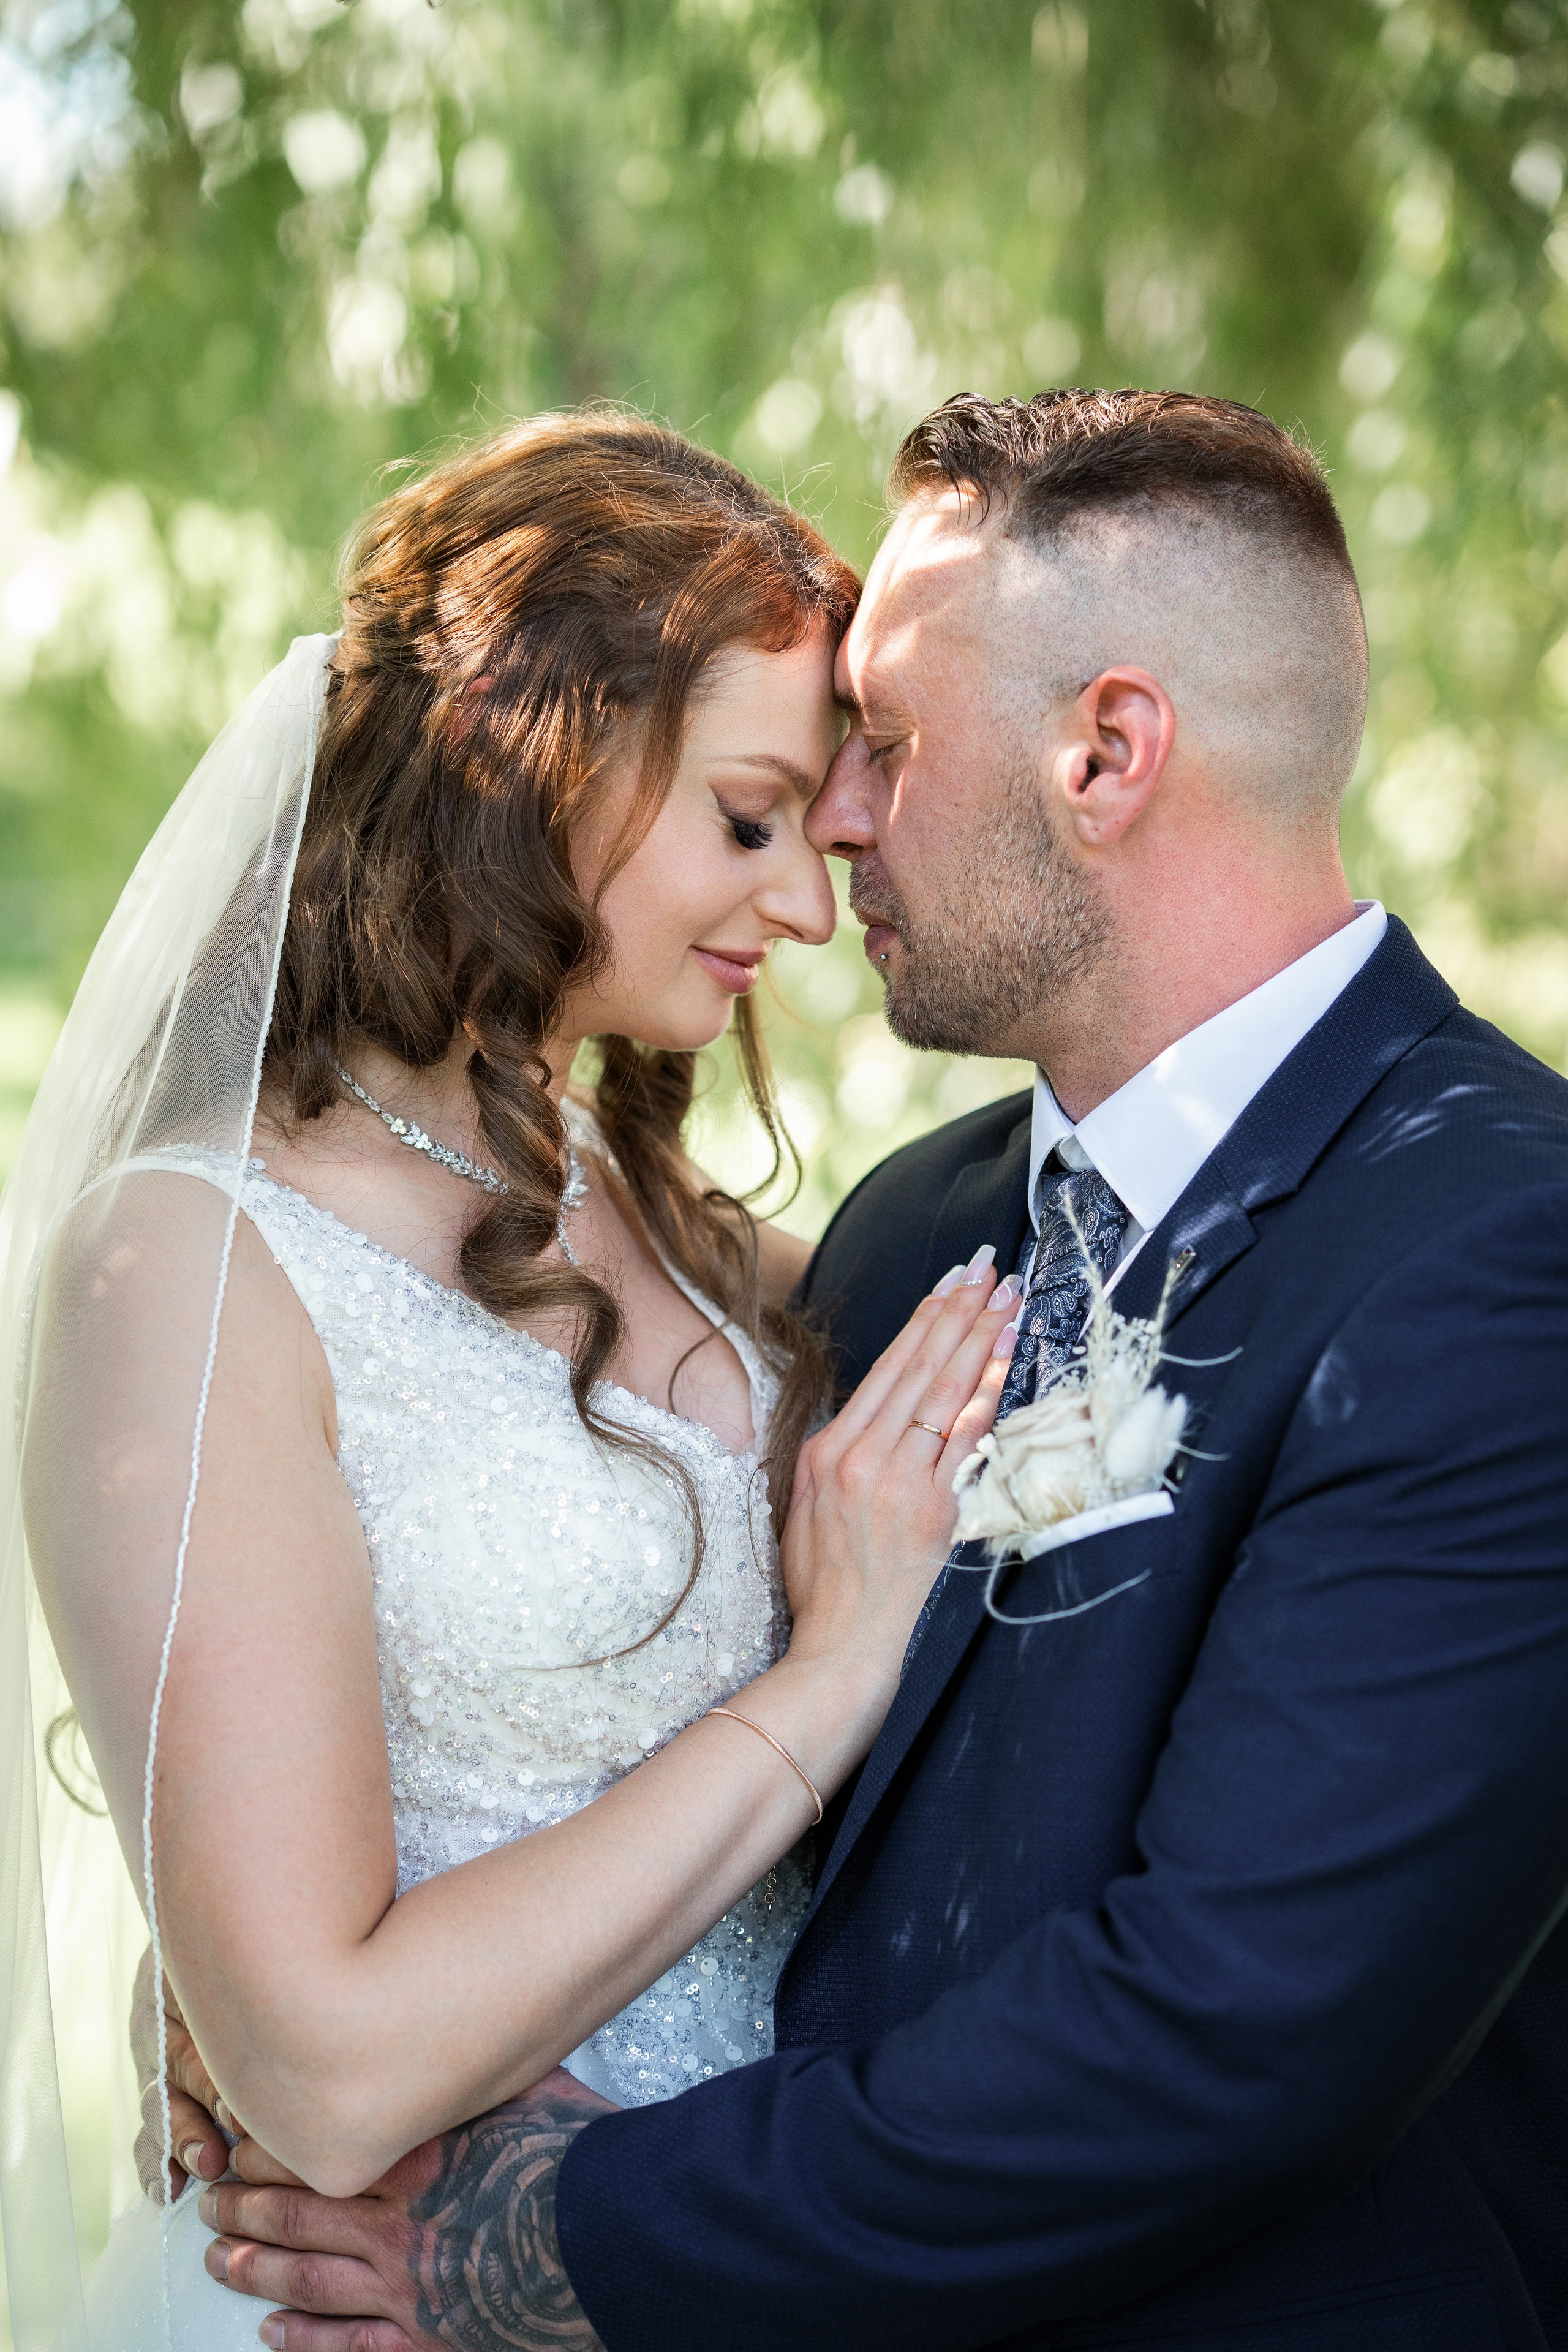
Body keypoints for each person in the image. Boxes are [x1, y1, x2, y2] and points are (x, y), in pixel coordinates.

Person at [198, 388, 1568, 2352]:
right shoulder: (921, 1227)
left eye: (888, 749)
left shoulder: (1502, 1256)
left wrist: (555, 2237)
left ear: (1107, 752)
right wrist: (291, 1999)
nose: (835, 832)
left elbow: (1230, 2026)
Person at [1, 412, 1020, 2346]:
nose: (808, 909)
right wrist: (825, 1685)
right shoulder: (187, 1266)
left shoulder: (654, 1211)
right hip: (363, 2298)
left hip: (712, 2269)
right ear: (532, 766)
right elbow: (319, 2068)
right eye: (748, 819)